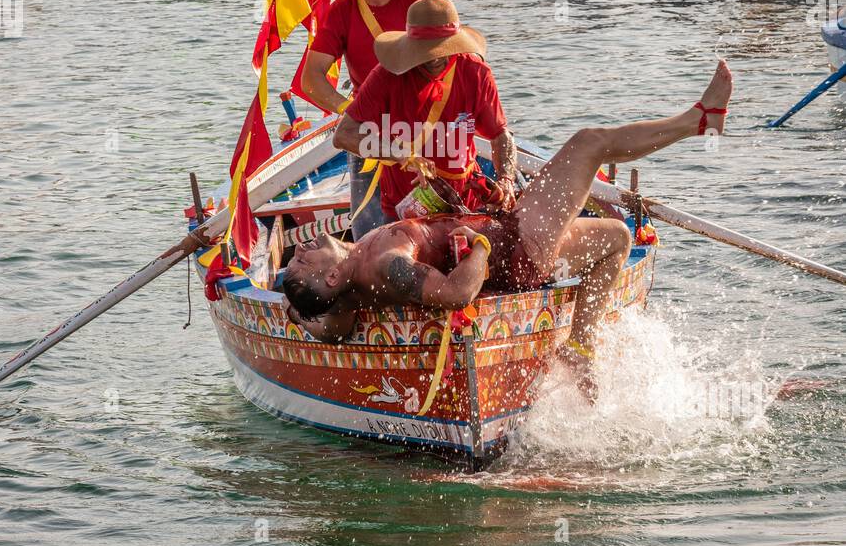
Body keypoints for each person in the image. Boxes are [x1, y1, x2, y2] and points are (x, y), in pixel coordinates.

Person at [283, 59, 734, 398]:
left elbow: (335, 328)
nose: (297, 252)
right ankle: (698, 120)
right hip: (518, 246)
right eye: (302, 264)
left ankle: (580, 345)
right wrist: (477, 244)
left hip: (509, 235)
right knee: (589, 142)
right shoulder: (383, 264)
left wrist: (299, 315)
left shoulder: (350, 275)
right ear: (333, 276)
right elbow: (457, 293)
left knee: (617, 238)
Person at [332, 0, 519, 235]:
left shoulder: (476, 73)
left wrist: (506, 180)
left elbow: (500, 135)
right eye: (426, 51)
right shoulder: (387, 75)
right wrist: (402, 155)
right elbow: (344, 135)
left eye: (443, 49)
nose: (436, 57)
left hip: (464, 208)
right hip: (404, 212)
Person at [302, 0, 434, 238]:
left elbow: (455, 59)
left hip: (422, 123)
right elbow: (312, 78)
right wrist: (350, 109)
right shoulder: (342, 10)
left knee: (432, 222)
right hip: (368, 130)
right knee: (369, 229)